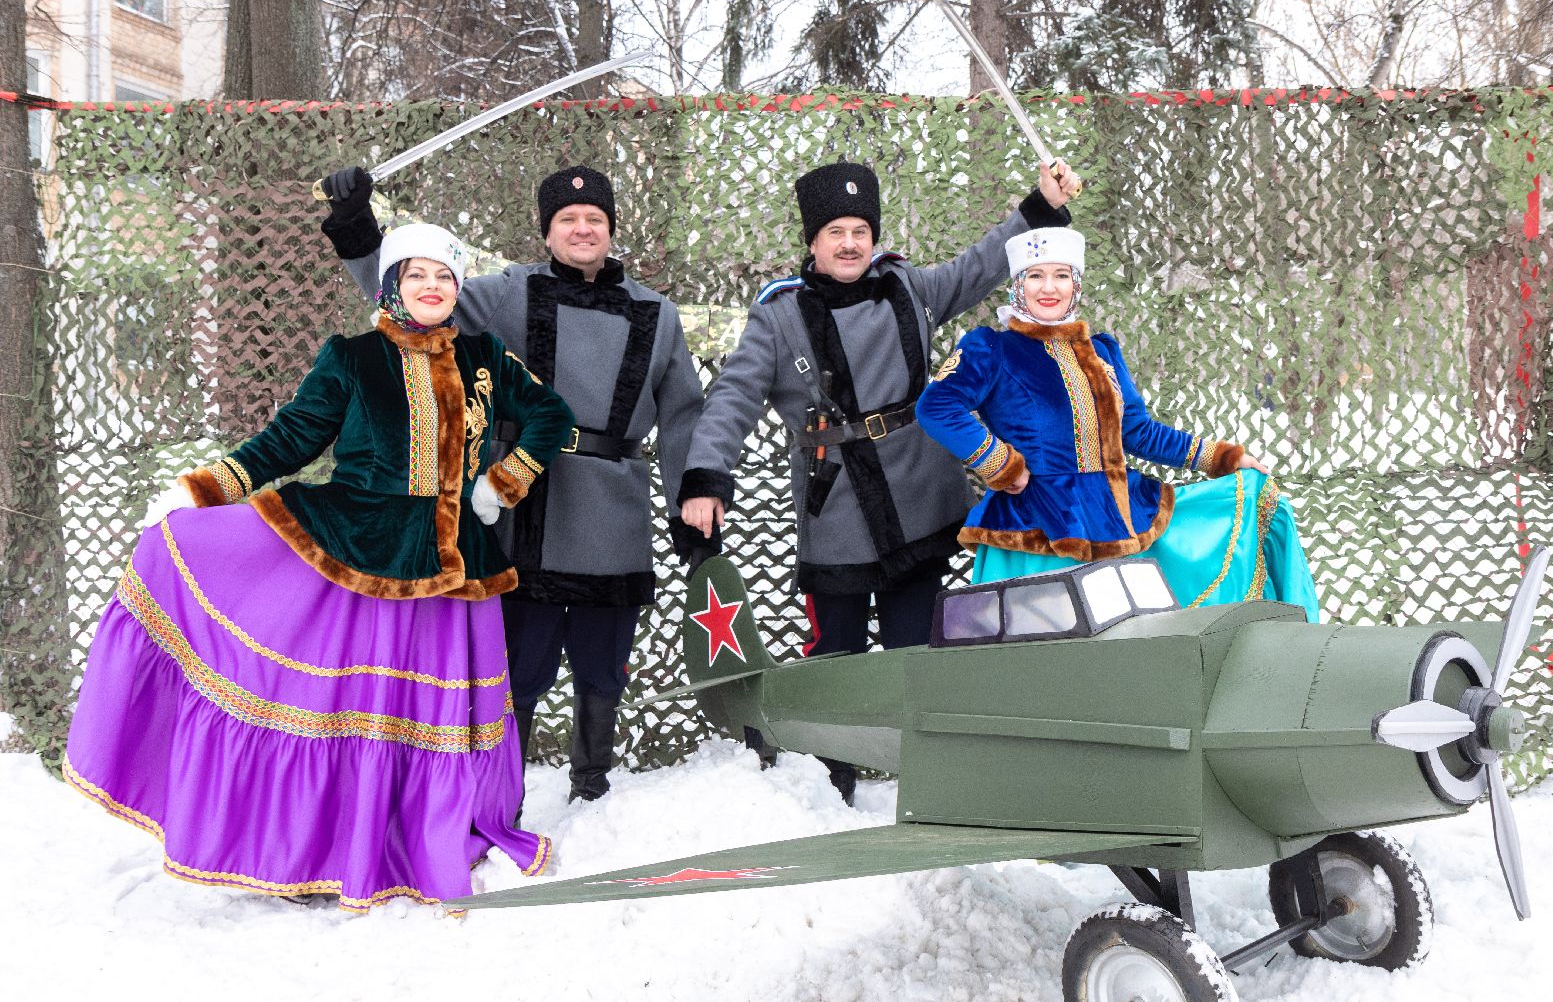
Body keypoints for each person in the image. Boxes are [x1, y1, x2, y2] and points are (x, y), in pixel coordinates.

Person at [63, 223, 577, 912]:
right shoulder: (353, 358)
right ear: (393, 283)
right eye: (417, 274)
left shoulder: (485, 357)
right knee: (354, 712)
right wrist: (204, 490)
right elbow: (294, 438)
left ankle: (421, 837)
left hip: (457, 569)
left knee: (429, 717)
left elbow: (549, 412)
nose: (432, 287)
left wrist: (503, 482)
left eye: (444, 277)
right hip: (361, 549)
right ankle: (332, 846)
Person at [678, 158, 1081, 801]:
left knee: (915, 652)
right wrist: (705, 476)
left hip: (921, 494)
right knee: (835, 654)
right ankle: (829, 784)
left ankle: (927, 785)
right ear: (812, 241)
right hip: (836, 508)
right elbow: (733, 398)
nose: (848, 243)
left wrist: (1040, 203)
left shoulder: (909, 288)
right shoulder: (780, 317)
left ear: (873, 236)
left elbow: (981, 266)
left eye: (859, 230)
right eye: (834, 231)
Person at [319, 164, 709, 803]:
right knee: (515, 667)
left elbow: (683, 417)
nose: (583, 229)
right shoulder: (508, 293)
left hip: (613, 509)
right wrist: (359, 229)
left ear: (611, 230)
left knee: (602, 663)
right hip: (523, 506)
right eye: (568, 220)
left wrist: (688, 501)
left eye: (595, 220)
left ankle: (593, 788)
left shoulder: (656, 312)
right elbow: (415, 301)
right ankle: (501, 794)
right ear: (547, 231)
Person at [914, 226, 1319, 615]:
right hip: (1036, 527)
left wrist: (1222, 458)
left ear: (1076, 284)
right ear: (1018, 284)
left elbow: (1138, 432)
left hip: (1118, 515)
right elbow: (936, 407)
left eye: (1061, 275)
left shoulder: (1103, 352)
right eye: (1035, 276)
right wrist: (1001, 464)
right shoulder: (992, 348)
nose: (1049, 288)